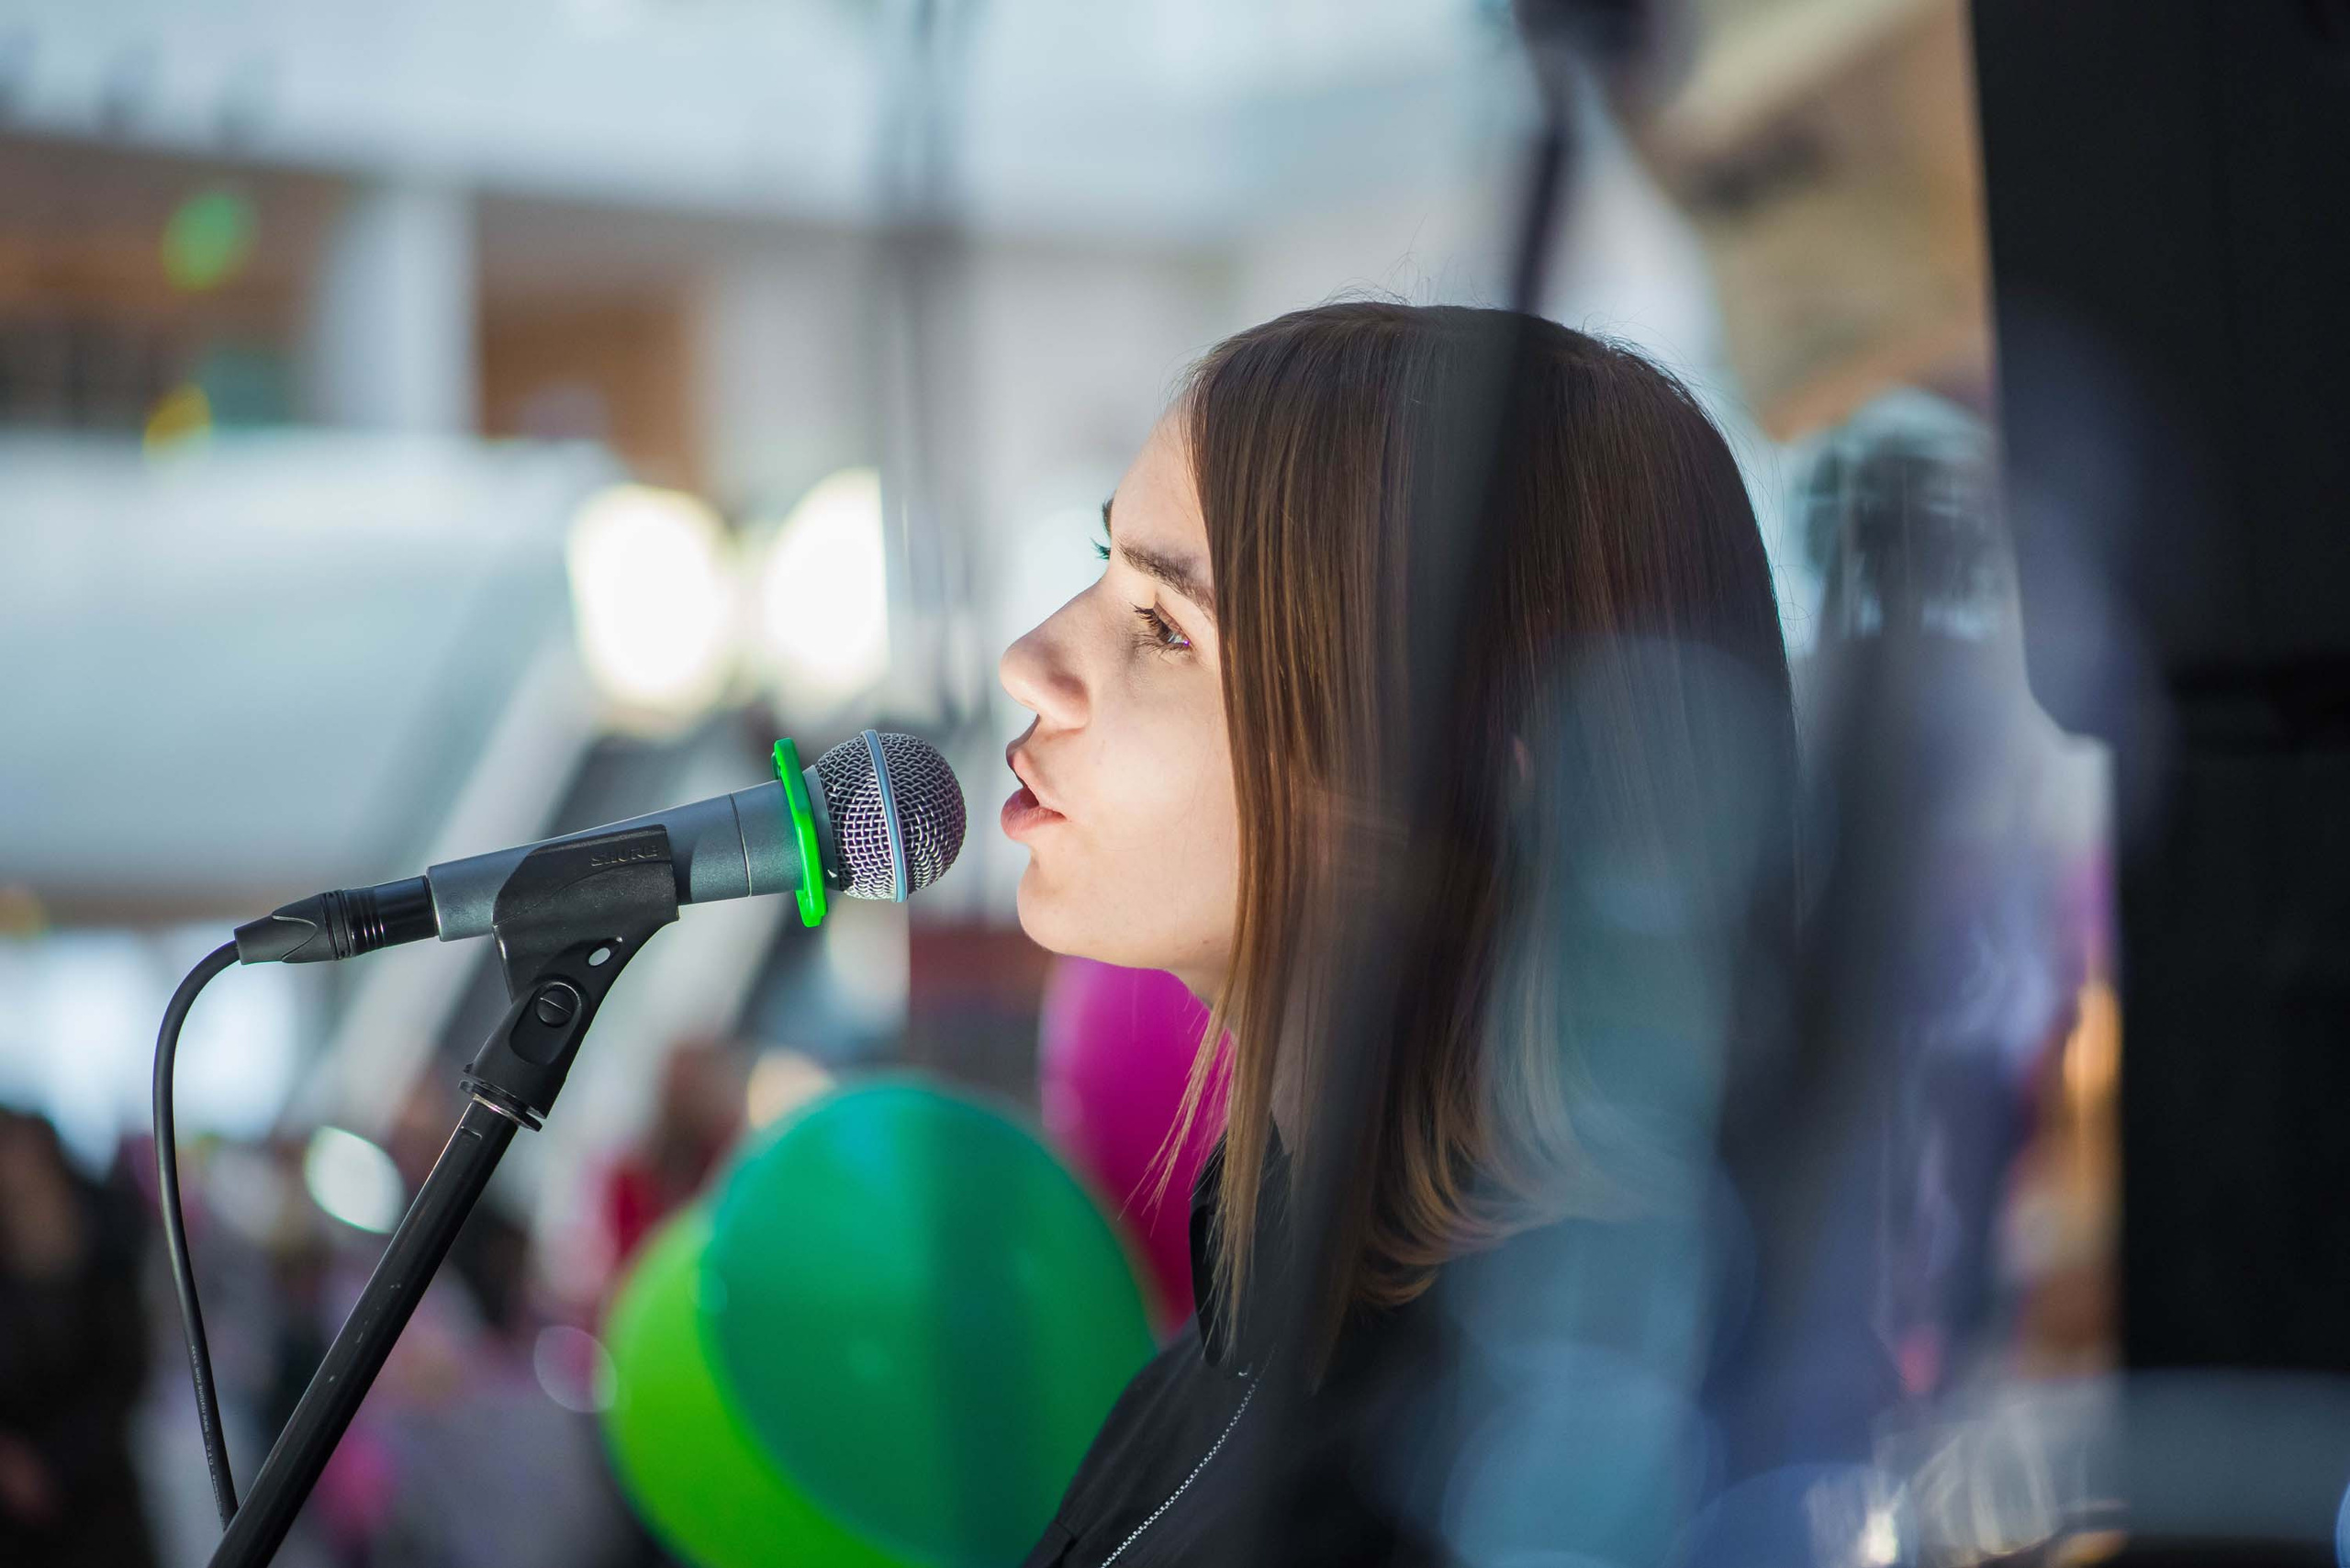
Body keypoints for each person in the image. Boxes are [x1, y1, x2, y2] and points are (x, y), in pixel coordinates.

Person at [998, 301, 1801, 1567]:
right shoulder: (1217, 1378)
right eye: (1105, 570)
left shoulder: (1472, 1495)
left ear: (1469, 783)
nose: (1029, 660)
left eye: (1162, 627)